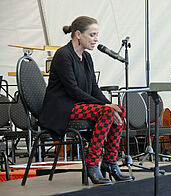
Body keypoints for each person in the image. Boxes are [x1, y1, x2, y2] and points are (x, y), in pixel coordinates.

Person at [39, 16, 132, 184]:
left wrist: (110, 105)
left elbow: (94, 89)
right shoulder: (63, 55)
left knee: (118, 110)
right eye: (92, 35)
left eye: (97, 35)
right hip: (62, 108)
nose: (96, 39)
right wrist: (105, 106)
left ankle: (110, 163)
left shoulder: (87, 57)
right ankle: (92, 164)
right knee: (106, 112)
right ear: (78, 34)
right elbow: (73, 91)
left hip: (79, 105)